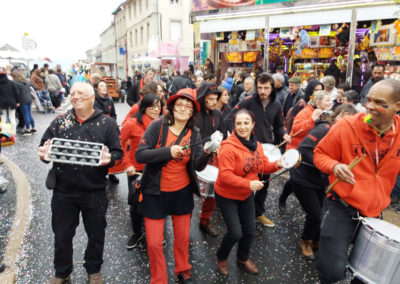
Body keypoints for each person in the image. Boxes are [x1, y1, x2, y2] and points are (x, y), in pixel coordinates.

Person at [314, 79, 400, 284]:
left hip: (374, 212)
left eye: (380, 103)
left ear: (398, 106)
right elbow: (319, 154)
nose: (369, 106)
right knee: (332, 271)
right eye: (368, 99)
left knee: (369, 275)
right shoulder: (348, 125)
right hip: (341, 206)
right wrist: (334, 166)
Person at [37, 82, 123, 284]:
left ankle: (94, 269)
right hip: (63, 191)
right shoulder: (60, 122)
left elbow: (118, 152)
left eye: (80, 94)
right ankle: (62, 271)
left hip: (94, 190)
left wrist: (109, 158)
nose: (75, 97)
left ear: (92, 98)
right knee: (62, 234)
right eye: (73, 93)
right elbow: (45, 148)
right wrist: (44, 155)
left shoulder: (107, 124)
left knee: (96, 233)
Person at [135, 88, 211, 284]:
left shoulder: (194, 133)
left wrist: (208, 153)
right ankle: (159, 279)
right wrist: (167, 151)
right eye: (179, 104)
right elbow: (140, 155)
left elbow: (196, 165)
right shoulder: (157, 126)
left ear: (192, 112)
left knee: (183, 238)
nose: (183, 108)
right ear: (172, 106)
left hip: (182, 191)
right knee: (153, 243)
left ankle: (183, 269)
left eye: (188, 106)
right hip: (155, 191)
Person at [215, 109, 282, 276]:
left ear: (253, 124)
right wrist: (248, 183)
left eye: (246, 123)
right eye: (239, 123)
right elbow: (225, 176)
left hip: (245, 194)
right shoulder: (228, 148)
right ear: (234, 125)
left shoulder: (257, 145)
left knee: (250, 230)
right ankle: (222, 258)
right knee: (235, 232)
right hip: (227, 195)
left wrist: (278, 164)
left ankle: (242, 258)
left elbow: (263, 166)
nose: (242, 127)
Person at [291, 104, 357, 259]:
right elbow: (303, 150)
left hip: (322, 182)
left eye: (350, 120)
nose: (345, 122)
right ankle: (306, 241)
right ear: (336, 117)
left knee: (324, 213)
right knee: (315, 215)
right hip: (303, 179)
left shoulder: (346, 137)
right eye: (342, 117)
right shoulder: (323, 129)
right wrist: (326, 165)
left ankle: (315, 239)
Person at [225, 73, 291, 227]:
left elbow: (278, 126)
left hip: (266, 148)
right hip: (246, 148)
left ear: (272, 88)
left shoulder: (276, 104)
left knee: (263, 183)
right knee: (243, 179)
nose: (262, 91)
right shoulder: (247, 101)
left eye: (266, 88)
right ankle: (238, 214)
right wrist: (237, 140)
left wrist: (284, 135)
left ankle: (258, 213)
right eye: (259, 87)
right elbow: (229, 119)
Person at [121, 94, 163, 249]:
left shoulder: (164, 123)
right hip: (137, 170)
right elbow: (120, 143)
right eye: (152, 106)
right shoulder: (132, 123)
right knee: (136, 204)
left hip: (158, 170)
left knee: (157, 202)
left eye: (159, 106)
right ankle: (137, 233)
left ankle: (155, 234)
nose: (156, 109)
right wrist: (127, 164)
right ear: (144, 107)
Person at [279, 89, 331, 212]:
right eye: (327, 100)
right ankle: (283, 197)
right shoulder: (306, 112)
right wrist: (311, 119)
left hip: (311, 152)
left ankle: (309, 203)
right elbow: (296, 129)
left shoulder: (326, 114)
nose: (330, 102)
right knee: (295, 178)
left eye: (330, 100)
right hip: (296, 151)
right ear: (318, 102)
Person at [196, 82, 225, 237]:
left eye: (216, 98)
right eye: (211, 98)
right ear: (202, 98)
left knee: (211, 192)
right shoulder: (194, 114)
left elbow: (221, 134)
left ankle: (204, 221)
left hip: (212, 157)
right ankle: (182, 226)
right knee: (189, 192)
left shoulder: (218, 114)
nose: (215, 102)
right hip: (195, 156)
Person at [0, 69, 20, 133]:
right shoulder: (11, 82)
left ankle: (4, 133)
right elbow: (16, 93)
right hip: (12, 102)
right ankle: (14, 133)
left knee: (3, 118)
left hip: (2, 103)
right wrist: (18, 101)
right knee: (12, 118)